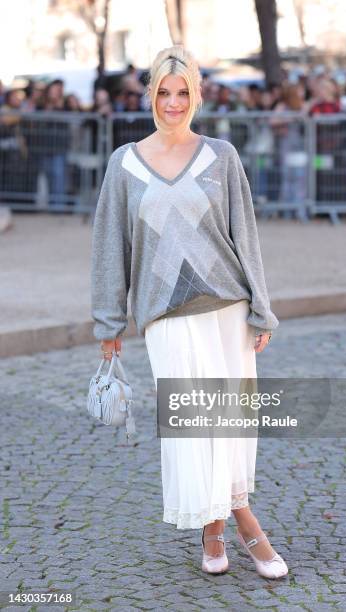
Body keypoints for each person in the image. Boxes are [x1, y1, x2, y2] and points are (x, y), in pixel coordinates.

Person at [91, 44, 288, 579]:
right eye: (163, 92)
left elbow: (244, 234)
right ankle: (248, 525)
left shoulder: (220, 155)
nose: (173, 102)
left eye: (183, 92)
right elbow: (111, 246)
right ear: (150, 94)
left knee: (228, 424)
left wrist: (261, 309)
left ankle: (214, 530)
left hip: (228, 306)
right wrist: (109, 325)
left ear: (197, 93)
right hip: (165, 315)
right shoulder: (125, 163)